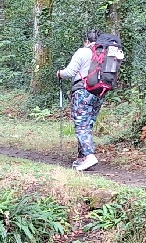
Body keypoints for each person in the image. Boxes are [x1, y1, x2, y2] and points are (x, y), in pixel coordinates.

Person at [57, 30, 105, 171]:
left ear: (86, 41)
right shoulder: (106, 53)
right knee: (87, 124)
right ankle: (81, 158)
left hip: (83, 92)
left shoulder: (83, 51)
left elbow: (70, 73)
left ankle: (89, 156)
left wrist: (60, 73)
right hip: (99, 93)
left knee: (81, 125)